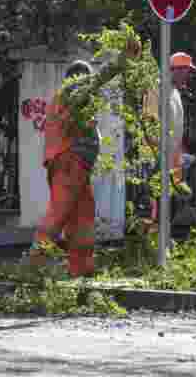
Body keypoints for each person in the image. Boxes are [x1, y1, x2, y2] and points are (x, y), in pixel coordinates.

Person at [29, 36, 141, 277]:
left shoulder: (68, 97)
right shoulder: (72, 93)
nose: (89, 85)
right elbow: (95, 82)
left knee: (83, 218)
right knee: (58, 214)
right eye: (85, 79)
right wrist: (121, 61)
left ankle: (82, 269)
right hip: (70, 163)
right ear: (77, 79)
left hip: (75, 166)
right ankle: (33, 266)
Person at [141, 52, 196, 229]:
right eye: (188, 71)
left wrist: (180, 154)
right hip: (157, 157)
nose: (189, 76)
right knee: (158, 206)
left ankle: (162, 245)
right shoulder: (156, 89)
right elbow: (149, 124)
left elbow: (175, 129)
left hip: (172, 159)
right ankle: (152, 247)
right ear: (177, 70)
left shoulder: (174, 92)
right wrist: (160, 155)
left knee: (171, 205)